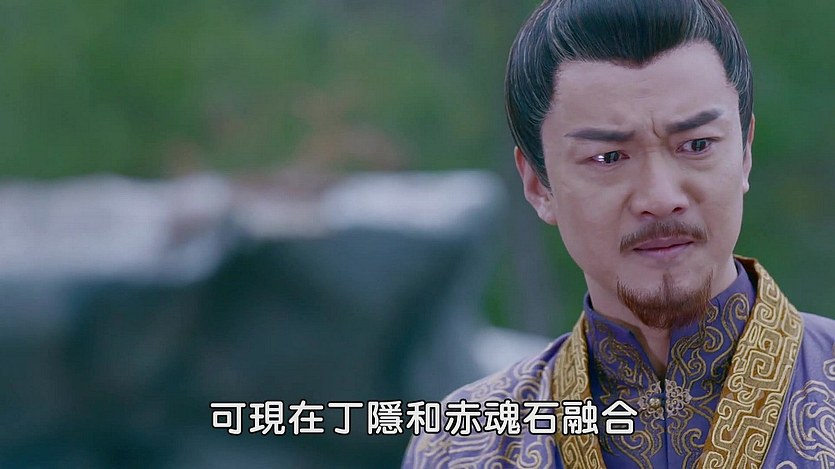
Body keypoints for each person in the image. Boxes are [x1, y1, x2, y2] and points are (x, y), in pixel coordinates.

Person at [402, 0, 835, 467]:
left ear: (745, 152)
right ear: (538, 185)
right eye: (608, 158)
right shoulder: (461, 447)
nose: (660, 197)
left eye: (697, 145)